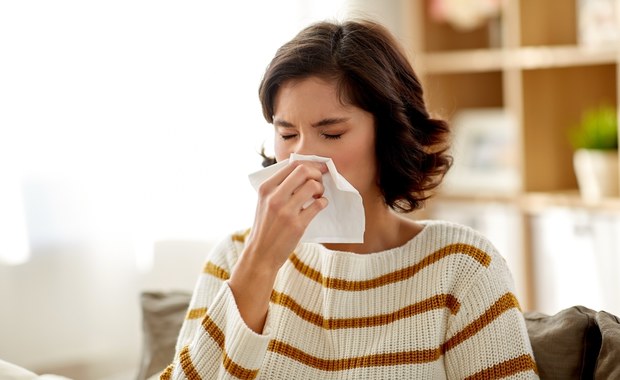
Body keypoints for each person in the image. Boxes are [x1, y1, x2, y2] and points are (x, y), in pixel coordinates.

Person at [161, 19, 538, 379]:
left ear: (389, 135)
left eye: (333, 133)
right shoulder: (234, 258)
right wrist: (259, 264)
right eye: (288, 134)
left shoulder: (462, 266)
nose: (302, 159)